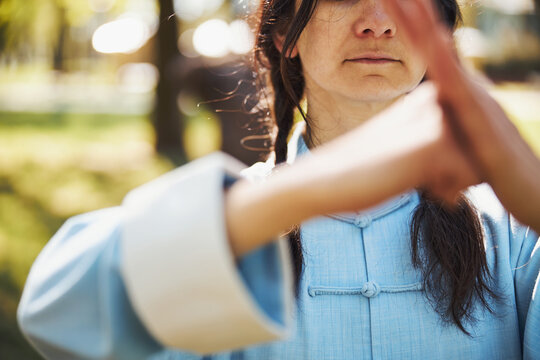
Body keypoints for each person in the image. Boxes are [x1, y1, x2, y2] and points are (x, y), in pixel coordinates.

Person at [17, 0, 540, 359]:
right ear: (286, 31)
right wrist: (306, 191)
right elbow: (56, 315)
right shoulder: (232, 221)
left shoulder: (514, 234)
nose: (378, 21)